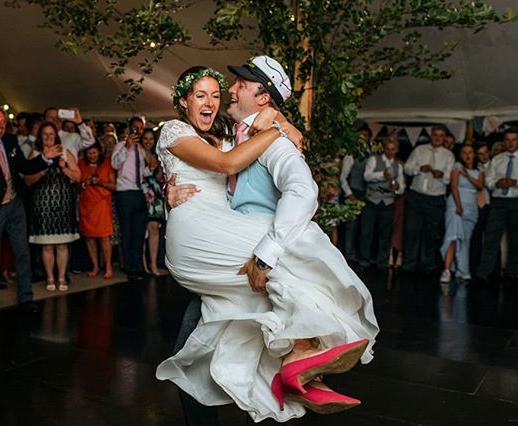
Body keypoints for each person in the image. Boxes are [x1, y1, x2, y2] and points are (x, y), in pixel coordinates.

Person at [158, 60, 378, 423]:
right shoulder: (232, 136)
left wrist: (281, 125)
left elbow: (303, 191)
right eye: (203, 94)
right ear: (183, 101)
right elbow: (223, 164)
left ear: (263, 97)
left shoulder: (259, 139)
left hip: (239, 246)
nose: (227, 92)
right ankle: (303, 355)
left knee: (212, 348)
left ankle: (300, 364)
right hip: (218, 243)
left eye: (236, 86)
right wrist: (278, 125)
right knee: (286, 277)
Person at [0, 106, 62, 314]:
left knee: (22, 252)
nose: (1, 126)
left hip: (15, 204)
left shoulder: (11, 141)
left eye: (3, 122)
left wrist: (45, 158)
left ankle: (26, 296)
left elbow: (24, 167)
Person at [24, 122, 81, 291]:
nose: (48, 137)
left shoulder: (65, 153)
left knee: (62, 244)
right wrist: (41, 168)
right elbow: (27, 181)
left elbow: (78, 176)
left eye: (51, 134)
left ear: (56, 136)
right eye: (45, 134)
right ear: (40, 137)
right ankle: (50, 278)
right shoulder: (35, 154)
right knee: (47, 245)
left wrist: (64, 169)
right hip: (43, 205)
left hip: (63, 204)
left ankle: (62, 278)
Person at [402, 125, 455, 273]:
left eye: (441, 136)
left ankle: (427, 264)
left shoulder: (448, 155)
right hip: (416, 197)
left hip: (435, 198)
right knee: (412, 230)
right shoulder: (419, 150)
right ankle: (409, 264)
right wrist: (419, 169)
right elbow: (406, 168)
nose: (438, 138)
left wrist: (442, 175)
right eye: (435, 135)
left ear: (444, 138)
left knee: (430, 234)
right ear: (431, 136)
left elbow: (449, 178)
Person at [474, 129, 518, 284]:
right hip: (498, 202)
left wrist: (515, 183)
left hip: (516, 201)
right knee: (491, 237)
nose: (511, 143)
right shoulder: (497, 159)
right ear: (504, 141)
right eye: (508, 139)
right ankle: (484, 273)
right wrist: (497, 184)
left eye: (514, 139)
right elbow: (489, 181)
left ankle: (513, 273)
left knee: (515, 240)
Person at [111, 116, 150, 280]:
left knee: (139, 231)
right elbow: (114, 164)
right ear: (129, 128)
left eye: (140, 129)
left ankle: (139, 266)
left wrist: (151, 170)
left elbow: (140, 172)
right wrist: (126, 146)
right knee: (127, 231)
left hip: (138, 191)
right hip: (124, 192)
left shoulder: (141, 150)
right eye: (135, 128)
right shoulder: (120, 146)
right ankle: (130, 268)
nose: (138, 132)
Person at [440, 145, 484, 282]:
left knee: (465, 239)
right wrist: (459, 206)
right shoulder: (457, 167)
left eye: (470, 152)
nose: (467, 155)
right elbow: (453, 187)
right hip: (456, 205)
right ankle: (446, 270)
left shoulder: (479, 169)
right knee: (452, 235)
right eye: (464, 152)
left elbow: (480, 185)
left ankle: (462, 269)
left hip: (471, 207)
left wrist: (467, 175)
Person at [359, 138, 405, 270]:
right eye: (388, 149)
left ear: (396, 150)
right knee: (366, 232)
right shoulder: (374, 160)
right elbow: (367, 176)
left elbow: (401, 188)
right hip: (372, 200)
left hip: (388, 202)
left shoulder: (398, 166)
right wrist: (381, 175)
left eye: (393, 149)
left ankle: (382, 262)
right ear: (384, 149)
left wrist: (397, 187)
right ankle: (364, 261)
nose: (390, 152)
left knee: (385, 234)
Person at [79, 144, 116, 279]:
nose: (91, 156)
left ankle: (108, 267)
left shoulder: (107, 164)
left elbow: (114, 186)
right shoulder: (80, 164)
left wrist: (100, 182)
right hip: (86, 204)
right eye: (89, 153)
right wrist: (86, 182)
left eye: (94, 153)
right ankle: (95, 266)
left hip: (102, 204)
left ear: (99, 152)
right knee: (89, 236)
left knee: (104, 237)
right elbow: (76, 184)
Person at [339, 128, 371, 262]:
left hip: (366, 193)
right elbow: (343, 177)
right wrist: (349, 194)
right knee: (350, 227)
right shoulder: (350, 154)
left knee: (364, 228)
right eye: (360, 136)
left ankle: (358, 255)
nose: (362, 139)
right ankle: (347, 256)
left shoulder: (370, 155)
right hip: (352, 191)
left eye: (365, 136)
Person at [141, 128, 165, 275]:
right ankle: (143, 264)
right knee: (142, 230)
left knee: (154, 228)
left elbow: (159, 178)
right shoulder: (137, 154)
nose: (148, 142)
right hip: (141, 192)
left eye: (151, 139)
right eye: (145, 138)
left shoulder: (157, 155)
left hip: (155, 193)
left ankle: (154, 263)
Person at [470, 143, 491, 275]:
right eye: (480, 154)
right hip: (476, 205)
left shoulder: (495, 165)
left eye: (485, 152)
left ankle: (491, 270)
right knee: (475, 237)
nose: (484, 156)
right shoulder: (474, 168)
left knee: (490, 239)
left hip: (491, 205)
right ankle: (473, 268)